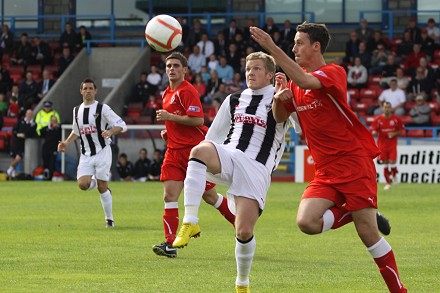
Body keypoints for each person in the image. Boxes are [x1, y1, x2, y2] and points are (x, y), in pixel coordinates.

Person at [249, 22, 407, 292]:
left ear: (316, 46)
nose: (294, 47)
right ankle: (353, 212)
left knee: (368, 234)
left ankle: (399, 290)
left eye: (299, 43)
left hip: (353, 162)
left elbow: (305, 79)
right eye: (293, 43)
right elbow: (278, 117)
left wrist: (271, 48)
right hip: (325, 170)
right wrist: (278, 97)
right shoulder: (295, 85)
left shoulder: (333, 72)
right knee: (306, 222)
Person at [172, 51, 289, 292]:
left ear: (269, 74)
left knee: (244, 230)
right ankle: (190, 220)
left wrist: (285, 96)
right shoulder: (234, 99)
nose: (250, 73)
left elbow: (300, 122)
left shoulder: (281, 98)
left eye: (256, 69)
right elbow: (212, 136)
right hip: (231, 155)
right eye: (248, 69)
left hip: (257, 167)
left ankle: (242, 283)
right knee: (199, 151)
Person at [151, 52, 235, 258]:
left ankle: (238, 221)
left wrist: (170, 117)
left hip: (194, 152)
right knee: (169, 195)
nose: (171, 69)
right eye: (169, 65)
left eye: (176, 66)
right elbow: (180, 121)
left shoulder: (186, 90)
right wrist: (169, 131)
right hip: (173, 151)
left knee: (210, 196)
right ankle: (169, 244)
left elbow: (197, 120)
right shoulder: (166, 93)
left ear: (185, 70)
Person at [57, 78, 127, 228]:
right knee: (83, 184)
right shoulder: (76, 110)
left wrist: (110, 131)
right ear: (81, 91)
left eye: (90, 88)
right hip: (86, 154)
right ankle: (95, 183)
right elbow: (76, 131)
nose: (88, 91)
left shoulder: (103, 108)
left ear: (95, 91)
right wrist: (66, 143)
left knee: (103, 187)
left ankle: (109, 219)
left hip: (102, 151)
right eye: (85, 88)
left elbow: (122, 125)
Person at [371, 102, 405, 190]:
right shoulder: (378, 119)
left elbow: (402, 131)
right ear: (382, 108)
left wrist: (394, 133)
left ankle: (394, 176)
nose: (387, 109)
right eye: (385, 107)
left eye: (388, 107)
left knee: (392, 162)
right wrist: (374, 132)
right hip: (382, 145)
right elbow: (373, 130)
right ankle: (388, 183)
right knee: (385, 164)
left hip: (392, 144)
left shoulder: (396, 119)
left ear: (391, 108)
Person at [6, 109, 36, 179]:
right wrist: (18, 134)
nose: (29, 115)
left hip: (23, 143)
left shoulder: (33, 124)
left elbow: (31, 134)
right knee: (13, 158)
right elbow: (14, 130)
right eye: (28, 114)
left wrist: (25, 135)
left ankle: (9, 170)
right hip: (16, 142)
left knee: (18, 158)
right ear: (26, 114)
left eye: (30, 114)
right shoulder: (20, 122)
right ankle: (12, 174)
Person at [40, 114, 61, 180]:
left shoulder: (58, 130)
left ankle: (51, 177)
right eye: (53, 121)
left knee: (52, 163)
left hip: (53, 148)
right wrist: (50, 127)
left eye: (55, 121)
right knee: (45, 163)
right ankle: (45, 176)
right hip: (46, 148)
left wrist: (57, 127)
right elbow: (41, 132)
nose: (54, 122)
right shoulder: (47, 128)